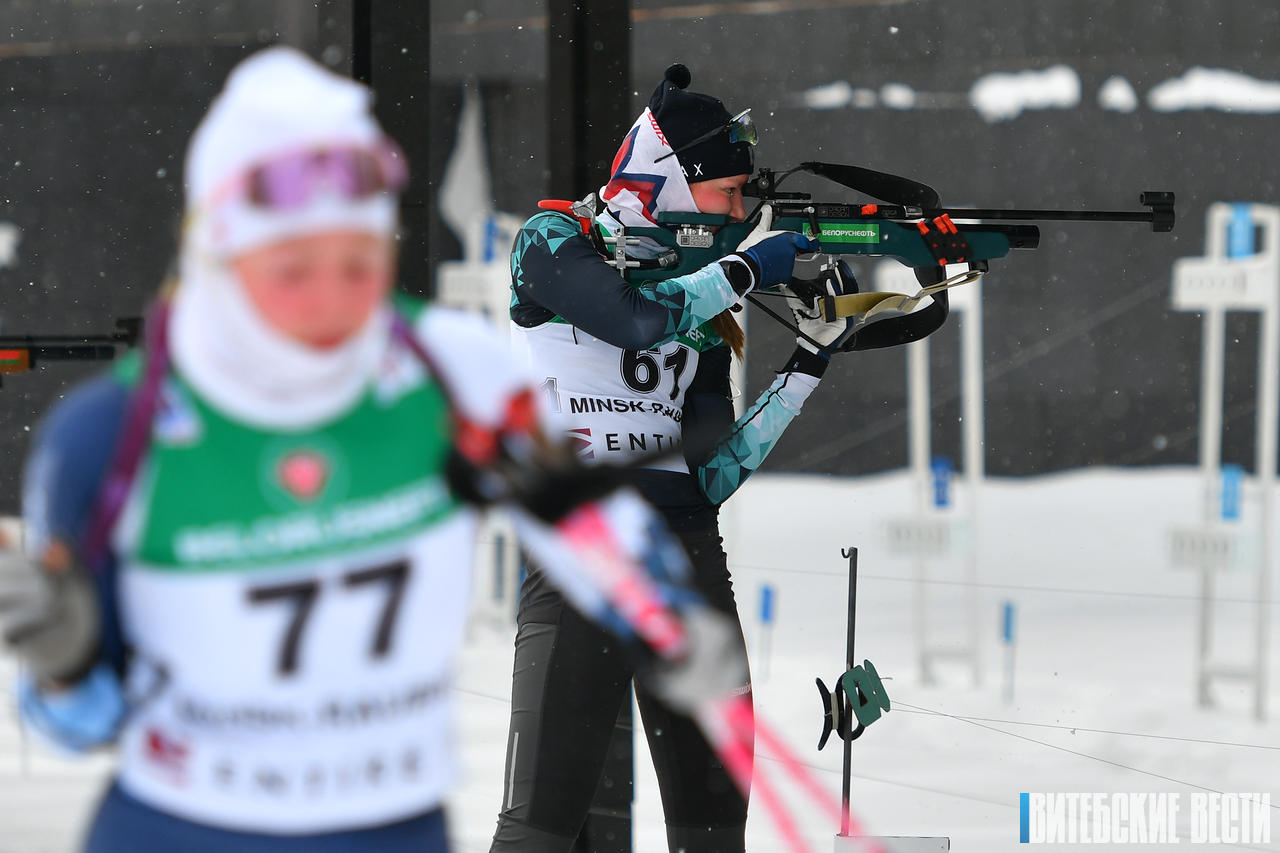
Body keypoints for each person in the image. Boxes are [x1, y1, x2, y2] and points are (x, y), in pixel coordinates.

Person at [0, 48, 741, 853]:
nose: (330, 298)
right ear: (216, 249)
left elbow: (582, 516)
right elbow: (79, 723)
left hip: (386, 825)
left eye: (358, 261)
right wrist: (65, 659)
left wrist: (666, 605)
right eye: (292, 264)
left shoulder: (454, 373)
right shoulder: (111, 434)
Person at [491, 64, 858, 853]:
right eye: (726, 192)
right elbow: (632, 320)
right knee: (538, 832)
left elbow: (712, 472)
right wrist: (747, 268)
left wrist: (807, 363)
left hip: (689, 555)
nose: (738, 212)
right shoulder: (553, 239)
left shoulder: (702, 298)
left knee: (714, 832)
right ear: (670, 180)